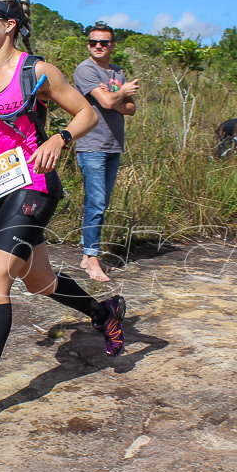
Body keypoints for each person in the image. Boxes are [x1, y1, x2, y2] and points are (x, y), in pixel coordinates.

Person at [0, 0, 126, 421]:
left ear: (10, 24)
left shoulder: (37, 70)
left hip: (35, 186)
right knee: (39, 282)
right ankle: (102, 310)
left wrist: (60, 138)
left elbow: (86, 114)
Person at [71, 23, 138, 282]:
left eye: (104, 42)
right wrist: (120, 94)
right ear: (88, 44)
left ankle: (87, 255)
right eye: (93, 42)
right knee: (96, 203)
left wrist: (117, 98)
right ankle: (92, 258)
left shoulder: (117, 72)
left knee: (101, 202)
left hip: (113, 144)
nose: (98, 46)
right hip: (92, 144)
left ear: (112, 45)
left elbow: (131, 109)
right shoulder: (85, 69)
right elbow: (109, 102)